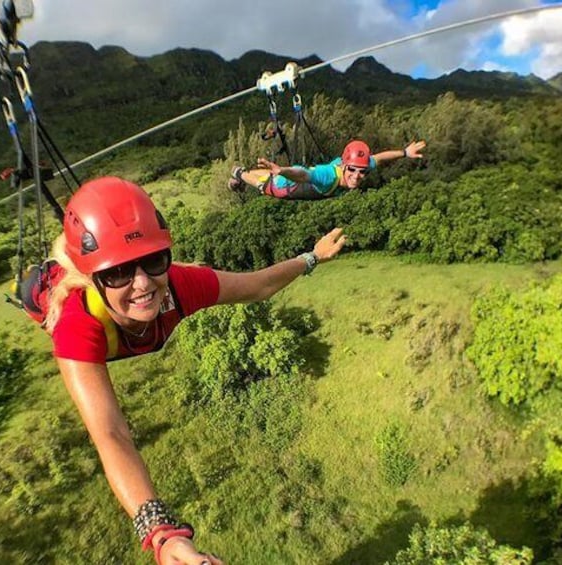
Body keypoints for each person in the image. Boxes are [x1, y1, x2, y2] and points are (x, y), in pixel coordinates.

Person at [42, 176, 347, 564]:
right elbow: (111, 433)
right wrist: (162, 535)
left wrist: (312, 257)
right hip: (58, 301)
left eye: (153, 261)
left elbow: (258, 285)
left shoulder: (179, 286)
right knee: (37, 289)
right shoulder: (77, 323)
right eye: (118, 272)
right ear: (92, 278)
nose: (142, 284)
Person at [229, 139, 426, 200]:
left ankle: (241, 174)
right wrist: (282, 171)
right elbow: (305, 175)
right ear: (343, 166)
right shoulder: (328, 176)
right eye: (353, 171)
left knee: (265, 174)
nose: (357, 176)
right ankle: (239, 173)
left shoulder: (358, 166)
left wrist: (404, 152)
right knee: (261, 183)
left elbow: (378, 158)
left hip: (297, 173)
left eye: (362, 172)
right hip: (287, 183)